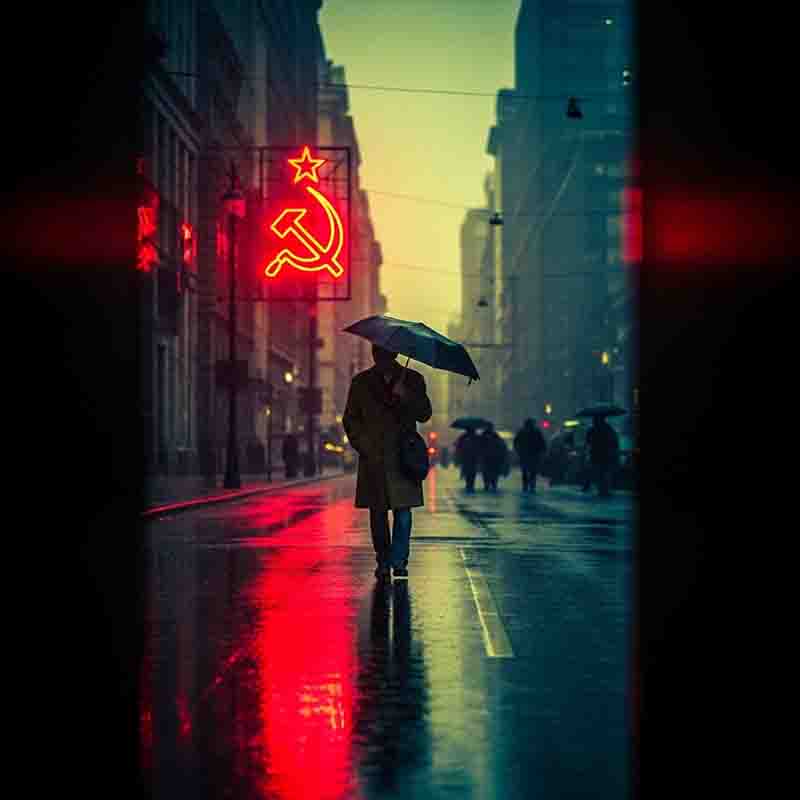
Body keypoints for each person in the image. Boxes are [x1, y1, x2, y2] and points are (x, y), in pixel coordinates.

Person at [343, 344, 432, 581]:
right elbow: (350, 419)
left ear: (394, 355)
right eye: (378, 353)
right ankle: (383, 560)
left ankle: (399, 561)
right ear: (374, 354)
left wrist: (407, 397)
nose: (381, 357)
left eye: (385, 353)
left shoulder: (413, 379)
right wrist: (365, 447)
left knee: (403, 513)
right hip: (375, 458)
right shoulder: (361, 382)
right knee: (378, 513)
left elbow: (424, 413)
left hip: (404, 457)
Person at [582, 416, 620, 496]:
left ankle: (600, 488)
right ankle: (605, 489)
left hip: (596, 453)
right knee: (605, 471)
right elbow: (614, 441)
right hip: (606, 454)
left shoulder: (592, 429)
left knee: (597, 471)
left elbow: (587, 441)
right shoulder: (609, 428)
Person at [514, 418, 548, 492]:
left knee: (525, 471)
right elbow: (542, 443)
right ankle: (531, 486)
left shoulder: (522, 432)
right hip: (533, 455)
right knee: (532, 471)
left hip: (525, 455)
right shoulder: (536, 432)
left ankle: (526, 486)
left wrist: (518, 451)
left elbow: (516, 443)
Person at [478, 423, 508, 492]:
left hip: (492, 457)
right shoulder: (492, 435)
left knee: (491, 472)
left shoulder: (493, 435)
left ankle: (490, 484)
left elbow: (501, 445)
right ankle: (490, 484)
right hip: (489, 457)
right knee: (489, 472)